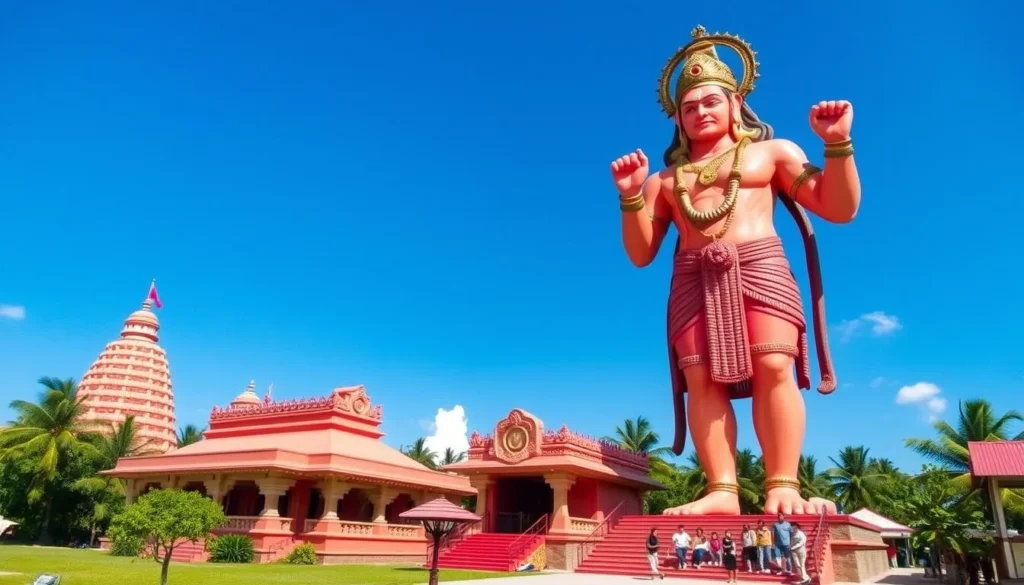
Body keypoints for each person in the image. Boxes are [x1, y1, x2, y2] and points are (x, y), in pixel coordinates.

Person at [611, 25, 856, 516]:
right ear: (677, 119)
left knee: (773, 365)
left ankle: (782, 483)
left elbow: (838, 206)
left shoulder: (773, 152)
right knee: (702, 380)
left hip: (760, 265)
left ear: (736, 102)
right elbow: (641, 254)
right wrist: (631, 195)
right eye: (689, 107)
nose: (700, 112)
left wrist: (837, 145)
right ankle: (721, 488)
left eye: (710, 101)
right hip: (691, 278)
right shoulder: (664, 180)